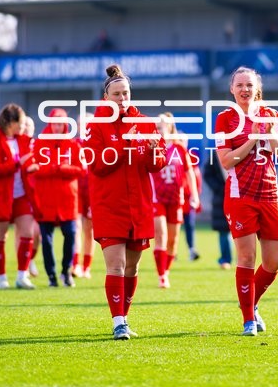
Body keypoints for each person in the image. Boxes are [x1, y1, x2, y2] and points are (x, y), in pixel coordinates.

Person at [84, 64, 166, 340]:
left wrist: (154, 153)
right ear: (106, 97)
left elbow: (157, 164)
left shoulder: (145, 123)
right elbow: (97, 164)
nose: (122, 98)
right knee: (116, 265)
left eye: (126, 93)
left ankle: (124, 318)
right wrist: (125, 144)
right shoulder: (95, 126)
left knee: (132, 267)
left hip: (138, 205)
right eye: (117, 94)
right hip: (109, 205)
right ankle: (118, 322)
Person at [215, 66, 278, 336]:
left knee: (274, 262)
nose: (244, 89)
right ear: (232, 89)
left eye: (249, 85)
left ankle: (250, 302)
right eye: (239, 85)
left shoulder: (272, 115)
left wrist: (270, 134)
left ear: (257, 88)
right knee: (247, 257)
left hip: (270, 196)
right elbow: (226, 161)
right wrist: (253, 139)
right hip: (241, 196)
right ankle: (249, 319)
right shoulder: (225, 119)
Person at [0, 104, 39, 289]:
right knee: (1, 238)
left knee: (28, 234)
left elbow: (30, 160)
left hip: (22, 195)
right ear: (10, 123)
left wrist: (31, 167)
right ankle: (1, 278)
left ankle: (22, 276)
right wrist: (17, 163)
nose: (23, 126)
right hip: (1, 197)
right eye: (20, 123)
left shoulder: (24, 141)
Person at [33, 108, 82, 287]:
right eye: (55, 123)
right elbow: (34, 169)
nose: (57, 127)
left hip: (67, 199)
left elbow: (81, 169)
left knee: (71, 234)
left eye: (61, 124)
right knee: (46, 240)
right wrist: (53, 168)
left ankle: (66, 271)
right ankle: (51, 275)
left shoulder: (73, 145)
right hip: (45, 199)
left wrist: (63, 169)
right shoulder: (39, 144)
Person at [151, 114, 200, 288]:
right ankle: (161, 276)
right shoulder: (152, 147)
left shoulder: (179, 149)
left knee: (173, 241)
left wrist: (194, 195)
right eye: (157, 127)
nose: (159, 130)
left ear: (170, 127)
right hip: (157, 198)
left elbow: (189, 172)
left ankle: (166, 270)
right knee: (161, 235)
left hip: (176, 199)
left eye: (161, 127)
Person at [72, 113, 95, 279]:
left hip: (93, 191)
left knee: (90, 230)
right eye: (81, 123)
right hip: (76, 190)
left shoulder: (97, 144)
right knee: (76, 228)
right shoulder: (73, 144)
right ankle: (75, 265)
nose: (84, 126)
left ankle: (87, 267)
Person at [204, 154, 232, 269]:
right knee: (223, 230)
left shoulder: (241, 151)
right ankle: (226, 259)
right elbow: (207, 174)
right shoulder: (215, 156)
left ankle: (245, 260)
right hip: (221, 198)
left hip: (241, 195)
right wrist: (220, 188)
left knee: (245, 231)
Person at [181, 136, 203, 261]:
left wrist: (196, 195)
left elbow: (196, 176)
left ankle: (191, 249)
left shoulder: (191, 156)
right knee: (172, 226)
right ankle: (171, 252)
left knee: (190, 225)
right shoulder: (172, 154)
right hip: (175, 197)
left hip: (188, 198)